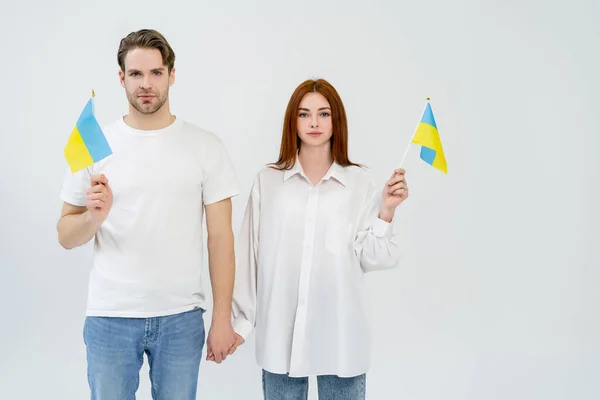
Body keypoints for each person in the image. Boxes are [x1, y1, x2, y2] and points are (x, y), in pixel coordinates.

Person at [57, 29, 239, 399]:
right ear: (121, 78)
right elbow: (65, 235)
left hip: (181, 316)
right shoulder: (94, 145)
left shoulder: (206, 146)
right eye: (136, 74)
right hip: (110, 316)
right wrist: (94, 217)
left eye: (156, 73)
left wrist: (222, 317)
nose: (146, 84)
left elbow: (221, 238)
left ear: (172, 75)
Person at [228, 78, 409, 399]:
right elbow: (249, 255)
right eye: (304, 114)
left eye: (324, 114)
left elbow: (373, 257)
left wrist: (386, 212)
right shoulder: (268, 181)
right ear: (292, 121)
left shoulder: (359, 182)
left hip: (341, 332)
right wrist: (241, 323)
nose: (314, 123)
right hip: (280, 332)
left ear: (336, 120)